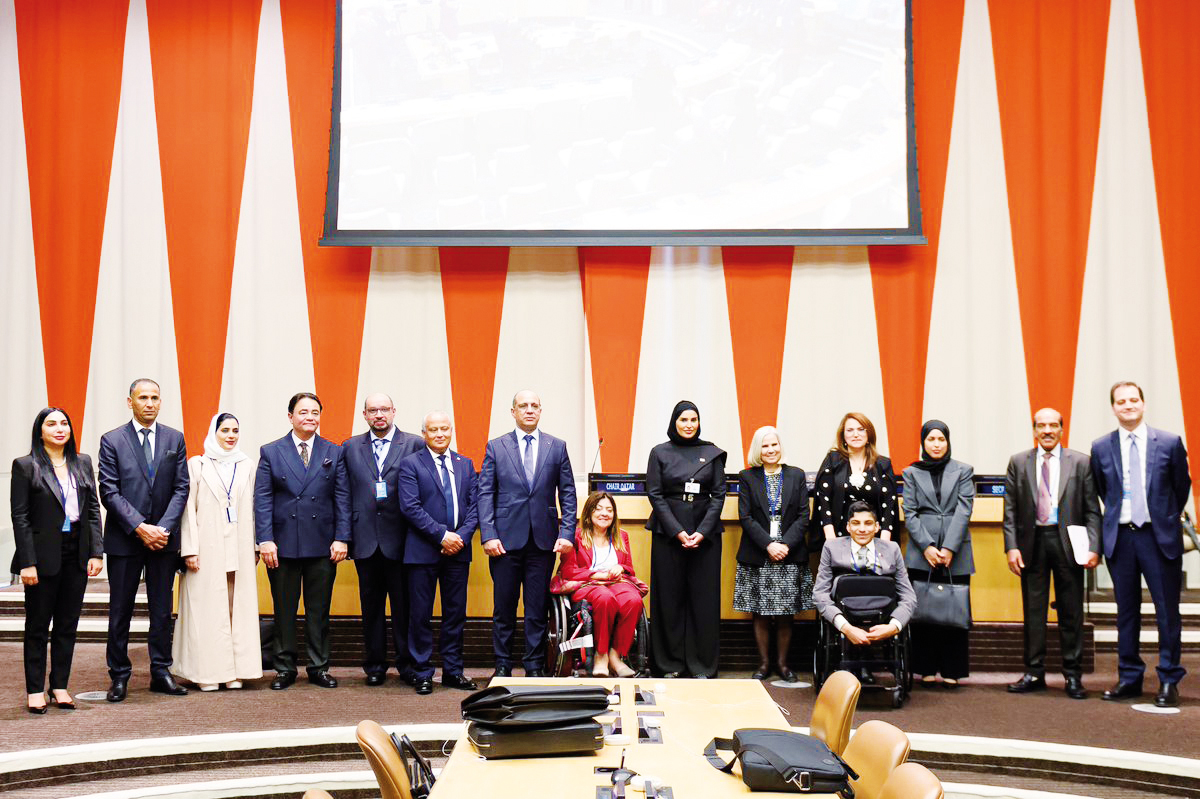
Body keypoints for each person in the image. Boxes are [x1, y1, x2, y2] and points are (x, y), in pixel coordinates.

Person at [1090, 381, 1191, 708]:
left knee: (1167, 613)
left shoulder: (1170, 442)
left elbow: (1181, 486)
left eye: (1133, 400)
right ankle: (1130, 677)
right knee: (1126, 614)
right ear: (1114, 408)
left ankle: (1168, 680)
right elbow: (1104, 491)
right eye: (1121, 401)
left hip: (1157, 537)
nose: (1128, 405)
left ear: (1143, 404)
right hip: (1122, 539)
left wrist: (1162, 516)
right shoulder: (1101, 447)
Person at [98, 378, 191, 701]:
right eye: (143, 398)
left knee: (162, 610)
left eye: (155, 398)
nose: (149, 403)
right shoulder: (112, 440)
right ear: (130, 402)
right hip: (125, 539)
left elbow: (182, 488)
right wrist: (140, 527)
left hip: (164, 540)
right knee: (120, 609)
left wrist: (161, 529)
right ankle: (119, 675)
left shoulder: (174, 438)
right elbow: (108, 490)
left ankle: (161, 671)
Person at [254, 392, 350, 690]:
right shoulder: (271, 451)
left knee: (318, 610)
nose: (310, 417)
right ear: (290, 416)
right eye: (303, 412)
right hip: (282, 545)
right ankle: (284, 667)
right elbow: (263, 499)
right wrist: (265, 539)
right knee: (284, 608)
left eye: (315, 412)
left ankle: (318, 666)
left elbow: (342, 498)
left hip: (322, 545)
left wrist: (342, 538)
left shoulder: (333, 451)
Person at [478, 390, 578, 678]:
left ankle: (534, 666)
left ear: (541, 410)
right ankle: (502, 665)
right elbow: (485, 493)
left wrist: (567, 531)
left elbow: (568, 493)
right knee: (504, 608)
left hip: (543, 541)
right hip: (504, 542)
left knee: (536, 608)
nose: (530, 410)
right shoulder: (496, 447)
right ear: (513, 412)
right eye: (523, 406)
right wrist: (488, 534)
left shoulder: (556, 447)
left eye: (534, 406)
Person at [1003, 408, 1101, 699]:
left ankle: (1073, 675)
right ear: (1034, 430)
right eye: (1041, 425)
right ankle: (1034, 672)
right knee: (1033, 613)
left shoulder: (1081, 462)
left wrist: (1095, 547)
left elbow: (1092, 510)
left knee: (1071, 612)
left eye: (1053, 425)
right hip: (1031, 543)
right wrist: (1011, 546)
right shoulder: (1018, 462)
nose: (1047, 430)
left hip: (1069, 543)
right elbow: (1009, 510)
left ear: (1061, 429)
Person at [11, 408, 104, 713]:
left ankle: (60, 686)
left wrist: (95, 551)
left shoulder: (83, 462)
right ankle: (35, 689)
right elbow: (20, 517)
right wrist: (27, 562)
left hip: (76, 550)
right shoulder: (26, 466)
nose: (60, 428)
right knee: (38, 625)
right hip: (41, 554)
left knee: (67, 624)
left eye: (64, 422)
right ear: (40, 431)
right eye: (51, 424)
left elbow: (92, 511)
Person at [171, 413, 262, 691]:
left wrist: (256, 545)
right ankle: (206, 673)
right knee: (207, 610)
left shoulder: (247, 465)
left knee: (235, 608)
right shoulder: (197, 465)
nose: (231, 435)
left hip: (240, 546)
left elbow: (257, 507)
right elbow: (187, 510)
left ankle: (235, 671)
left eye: (235, 430)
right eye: (225, 430)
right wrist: (189, 550)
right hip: (206, 548)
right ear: (214, 432)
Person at [342, 393, 423, 686]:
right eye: (373, 410)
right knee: (371, 607)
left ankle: (406, 663)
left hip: (403, 540)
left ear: (394, 411)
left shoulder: (414, 443)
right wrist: (344, 536)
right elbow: (343, 494)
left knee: (405, 607)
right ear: (364, 414)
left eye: (384, 409)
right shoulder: (350, 447)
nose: (379, 415)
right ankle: (375, 665)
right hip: (364, 539)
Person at [396, 411, 479, 695]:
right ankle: (422, 672)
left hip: (458, 552)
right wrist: (442, 535)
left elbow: (474, 507)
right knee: (420, 614)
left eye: (445, 429)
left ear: (451, 430)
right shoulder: (410, 465)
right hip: (422, 552)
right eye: (434, 430)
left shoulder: (465, 464)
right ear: (424, 434)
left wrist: (461, 537)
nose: (440, 434)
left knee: (455, 614)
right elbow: (410, 507)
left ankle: (453, 672)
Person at [646, 400, 727, 678]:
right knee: (668, 600)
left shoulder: (712, 453)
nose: (689, 425)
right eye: (683, 420)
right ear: (674, 422)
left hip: (706, 536)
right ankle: (668, 665)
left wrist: (702, 532)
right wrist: (677, 531)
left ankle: (701, 666)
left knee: (703, 601)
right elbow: (655, 494)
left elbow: (718, 496)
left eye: (693, 420)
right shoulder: (659, 452)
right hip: (668, 535)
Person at [902, 420, 975, 687]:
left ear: (948, 441)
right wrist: (929, 547)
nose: (936, 444)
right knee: (924, 611)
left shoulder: (964, 471)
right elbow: (909, 512)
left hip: (957, 551)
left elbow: (964, 509)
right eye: (931, 439)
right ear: (923, 442)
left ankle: (952, 670)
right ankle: (926, 668)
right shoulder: (911, 472)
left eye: (941, 439)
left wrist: (948, 548)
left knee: (954, 610)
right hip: (923, 552)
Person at [733, 426, 810, 682]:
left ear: (780, 446)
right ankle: (764, 664)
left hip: (789, 552)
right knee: (761, 612)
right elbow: (745, 516)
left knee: (787, 612)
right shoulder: (747, 477)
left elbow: (803, 515)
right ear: (758, 449)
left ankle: (783, 664)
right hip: (759, 552)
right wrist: (769, 544)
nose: (771, 450)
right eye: (765, 446)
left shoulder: (796, 475)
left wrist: (785, 544)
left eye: (774, 444)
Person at [555, 491, 645, 677]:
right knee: (605, 598)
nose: (605, 513)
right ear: (589, 513)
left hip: (616, 582)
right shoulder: (575, 537)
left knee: (633, 600)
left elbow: (630, 569)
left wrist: (620, 567)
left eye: (609, 510)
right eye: (599, 509)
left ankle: (615, 656)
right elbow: (569, 571)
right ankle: (600, 655)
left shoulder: (622, 536)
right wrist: (598, 575)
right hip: (586, 584)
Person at [813, 501, 917, 646]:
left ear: (877, 527)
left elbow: (908, 596)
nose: (862, 529)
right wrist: (845, 627)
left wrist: (894, 626)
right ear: (848, 527)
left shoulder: (892, 549)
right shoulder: (831, 547)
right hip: (844, 615)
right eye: (856, 523)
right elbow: (820, 594)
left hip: (884, 615)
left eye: (868, 523)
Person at [813, 412, 899, 542]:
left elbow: (889, 504)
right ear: (843, 436)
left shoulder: (883, 464)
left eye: (861, 430)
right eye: (850, 430)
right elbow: (822, 499)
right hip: (838, 536)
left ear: (869, 435)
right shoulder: (833, 460)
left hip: (874, 536)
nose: (856, 434)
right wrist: (831, 539)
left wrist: (884, 541)